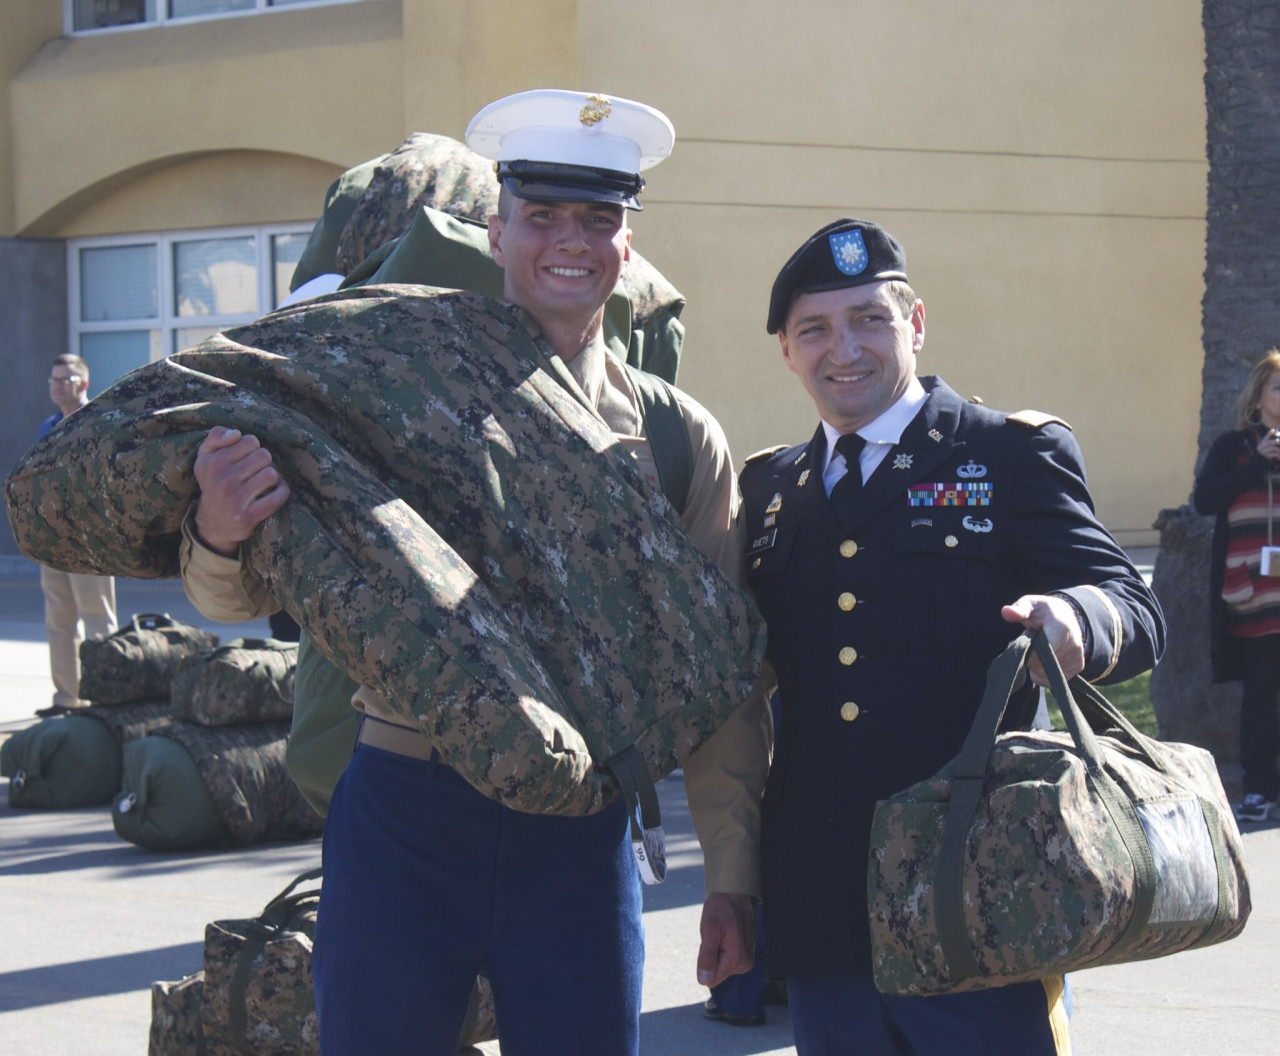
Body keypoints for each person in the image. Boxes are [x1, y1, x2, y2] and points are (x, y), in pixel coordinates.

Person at [178, 90, 769, 1055]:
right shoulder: (384, 391)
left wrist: (734, 874)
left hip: (581, 828)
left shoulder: (675, 435)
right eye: (542, 215)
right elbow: (235, 597)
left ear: (629, 245)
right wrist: (216, 528)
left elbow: (721, 679)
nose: (569, 241)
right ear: (495, 232)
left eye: (599, 218)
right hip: (406, 813)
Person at [738, 218, 1165, 1055]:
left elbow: (1134, 604)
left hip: (981, 892)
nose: (844, 349)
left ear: (917, 323)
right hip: (826, 902)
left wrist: (1076, 620)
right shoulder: (770, 488)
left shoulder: (1006, 455)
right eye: (815, 330)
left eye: (870, 319)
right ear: (787, 352)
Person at [1193, 348, 1280, 822]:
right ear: (1259, 397)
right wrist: (1258, 463)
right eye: (1279, 387)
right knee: (1262, 693)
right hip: (1254, 595)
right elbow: (1205, 499)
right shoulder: (1235, 447)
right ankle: (1260, 788)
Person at [35, 354, 118, 717]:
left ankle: (105, 699)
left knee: (96, 616)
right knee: (59, 619)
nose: (56, 386)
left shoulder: (98, 420)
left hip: (90, 538)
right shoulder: (48, 426)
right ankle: (67, 697)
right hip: (52, 539)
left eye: (64, 379)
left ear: (82, 384)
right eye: (52, 379)